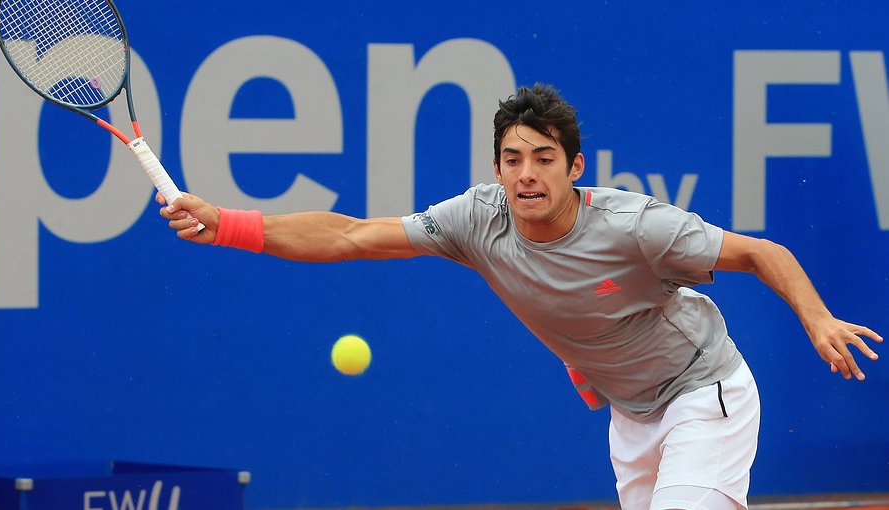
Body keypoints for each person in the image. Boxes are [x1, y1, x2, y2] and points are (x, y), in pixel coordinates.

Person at [158, 84, 881, 510]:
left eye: (543, 159)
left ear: (574, 167)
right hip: (630, 414)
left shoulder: (635, 227)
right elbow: (352, 235)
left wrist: (815, 318)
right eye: (513, 159)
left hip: (705, 393)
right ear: (497, 168)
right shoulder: (479, 218)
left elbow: (760, 251)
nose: (527, 174)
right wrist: (227, 224)